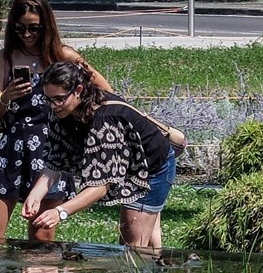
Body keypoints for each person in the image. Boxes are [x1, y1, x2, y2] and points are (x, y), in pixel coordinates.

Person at [0, 0, 112, 242]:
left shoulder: (64, 56)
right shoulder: (6, 57)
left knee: (42, 236)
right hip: (11, 149)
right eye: (20, 29)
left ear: (46, 26)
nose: (27, 35)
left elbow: (106, 91)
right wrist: (7, 95)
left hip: (52, 150)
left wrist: (77, 119)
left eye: (34, 28)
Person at [22, 61, 176, 250]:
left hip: (150, 170)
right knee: (147, 242)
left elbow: (100, 186)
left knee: (133, 248)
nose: (53, 106)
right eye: (48, 99)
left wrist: (60, 212)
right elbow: (54, 161)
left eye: (59, 99)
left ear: (78, 90)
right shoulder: (61, 111)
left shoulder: (104, 121)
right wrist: (35, 195)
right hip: (129, 163)